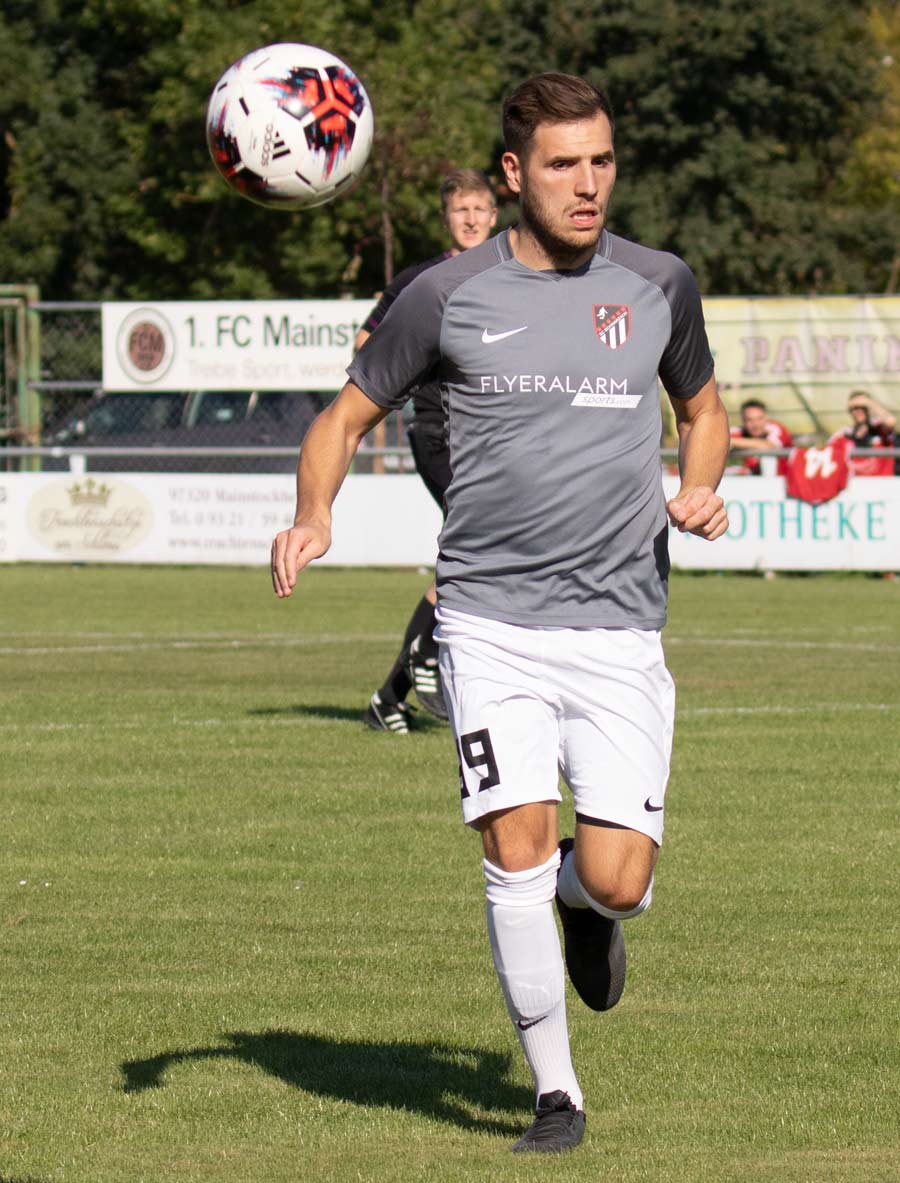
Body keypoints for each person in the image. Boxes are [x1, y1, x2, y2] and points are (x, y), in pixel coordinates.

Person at [271, 72, 730, 1154]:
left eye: (603, 160)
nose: (589, 183)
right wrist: (313, 513)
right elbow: (343, 419)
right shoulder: (445, 294)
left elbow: (703, 408)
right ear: (517, 174)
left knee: (618, 879)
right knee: (512, 846)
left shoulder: (660, 282)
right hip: (489, 621)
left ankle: (586, 904)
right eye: (565, 164)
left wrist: (702, 483)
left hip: (619, 626)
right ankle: (556, 1094)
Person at [355, 170, 498, 733]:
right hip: (441, 432)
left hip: (493, 438)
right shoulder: (422, 280)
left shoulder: (513, 273)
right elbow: (366, 343)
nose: (471, 219)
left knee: (478, 551)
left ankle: (390, 696)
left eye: (479, 209)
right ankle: (428, 655)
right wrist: (419, 364)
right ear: (447, 218)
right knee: (478, 542)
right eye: (461, 209)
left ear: (495, 215)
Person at [836, 390, 897, 476]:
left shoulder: (881, 431)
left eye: (863, 407)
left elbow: (891, 421)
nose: (859, 411)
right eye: (855, 408)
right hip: (853, 483)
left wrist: (868, 402)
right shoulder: (842, 437)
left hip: (882, 483)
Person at [728, 398, 792, 474]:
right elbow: (721, 440)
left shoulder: (776, 429)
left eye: (759, 419)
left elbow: (769, 446)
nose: (755, 424)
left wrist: (733, 442)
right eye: (749, 420)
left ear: (766, 418)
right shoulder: (739, 432)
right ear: (743, 421)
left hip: (785, 478)